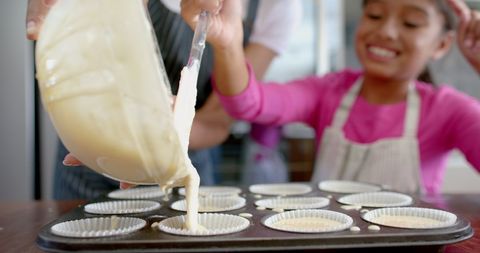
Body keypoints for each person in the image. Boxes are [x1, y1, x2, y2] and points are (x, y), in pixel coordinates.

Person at [181, 0, 480, 195]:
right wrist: (228, 44)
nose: (386, 31)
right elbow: (248, 102)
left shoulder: (449, 110)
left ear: (442, 44)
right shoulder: (328, 91)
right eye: (374, 15)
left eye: (411, 23)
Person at [26, 0, 301, 199]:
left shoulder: (277, 7)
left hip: (185, 159)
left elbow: (219, 119)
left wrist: (163, 134)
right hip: (90, 149)